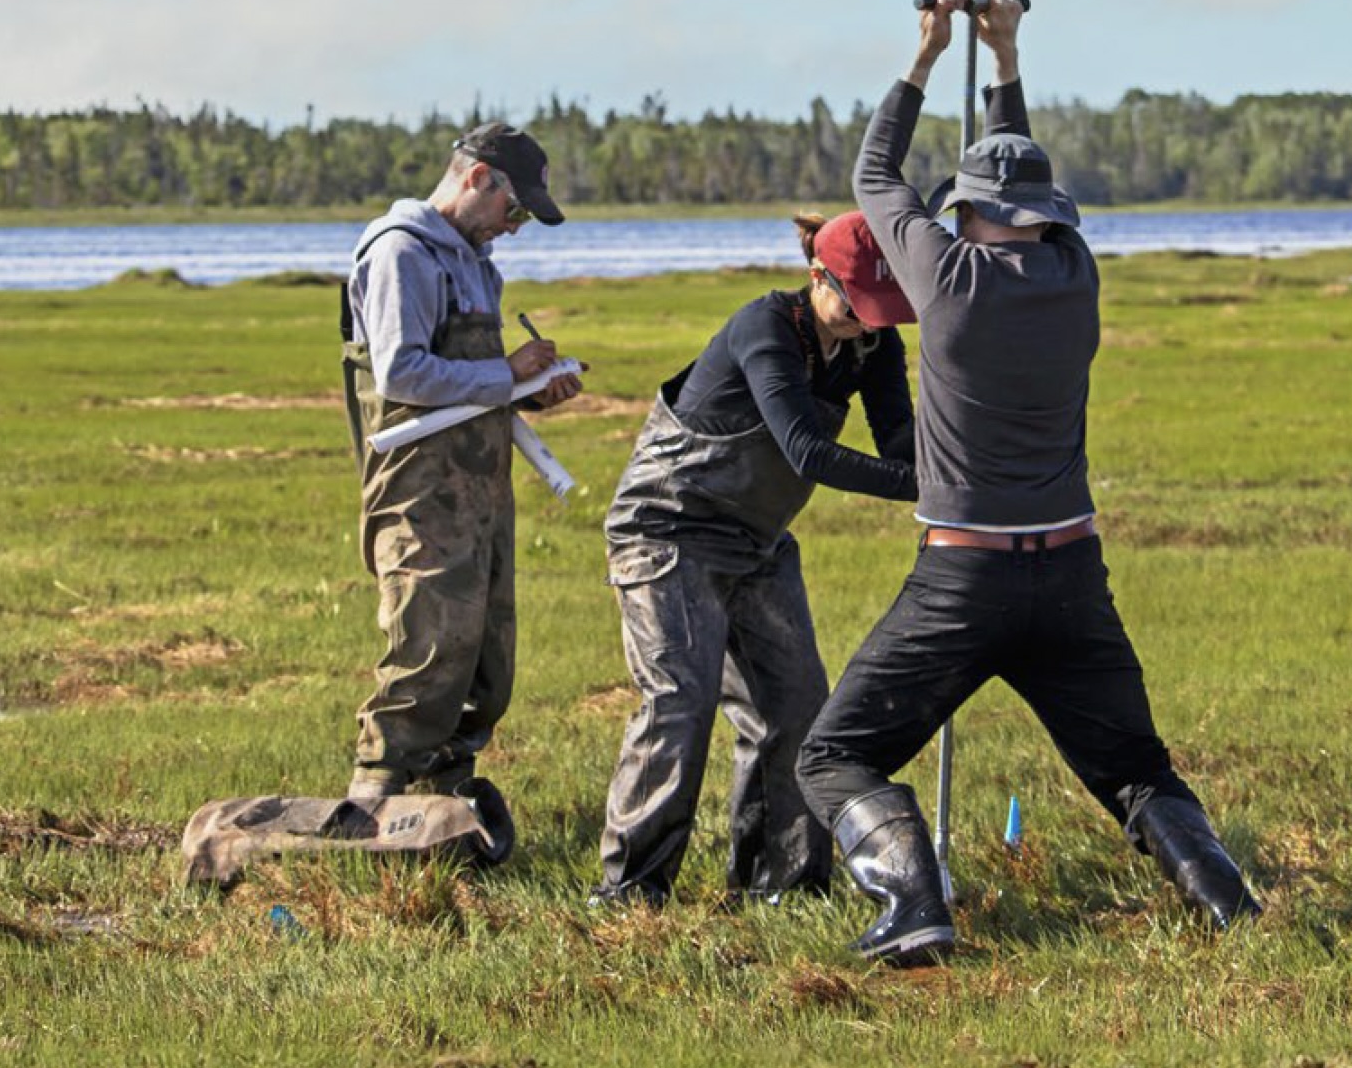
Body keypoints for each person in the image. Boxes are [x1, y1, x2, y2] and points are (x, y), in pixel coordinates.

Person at [795, 0, 1261, 964]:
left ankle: (912, 902)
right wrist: (1003, 58)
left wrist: (926, 54)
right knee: (1133, 765)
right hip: (1071, 573)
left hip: (962, 578)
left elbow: (874, 173)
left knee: (833, 756)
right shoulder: (1077, 274)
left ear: (963, 211)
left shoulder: (947, 275)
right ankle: (1228, 905)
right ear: (1049, 215)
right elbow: (1012, 186)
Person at [592, 210, 919, 906]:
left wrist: (947, 474)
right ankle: (630, 892)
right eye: (858, 304)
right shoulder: (764, 328)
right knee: (680, 700)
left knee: (799, 707)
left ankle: (785, 887)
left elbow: (899, 441)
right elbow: (805, 449)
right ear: (816, 278)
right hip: (667, 531)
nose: (869, 323)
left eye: (883, 310)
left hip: (757, 542)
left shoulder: (875, 344)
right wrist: (920, 486)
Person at [338, 121, 583, 827]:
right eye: (516, 210)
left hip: (482, 490)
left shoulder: (477, 263)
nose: (515, 228)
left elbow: (472, 384)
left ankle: (443, 810)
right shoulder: (402, 254)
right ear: (478, 178)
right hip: (418, 490)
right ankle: (372, 805)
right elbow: (404, 372)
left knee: (484, 653)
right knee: (426, 645)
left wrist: (531, 389)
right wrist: (504, 372)